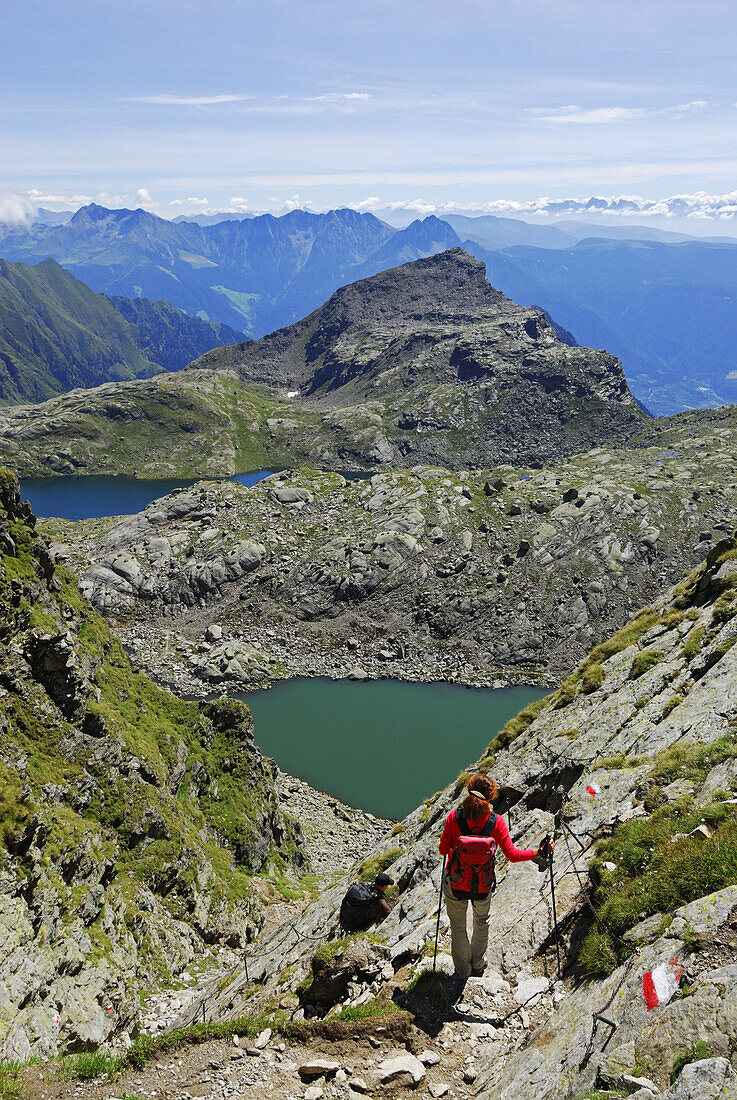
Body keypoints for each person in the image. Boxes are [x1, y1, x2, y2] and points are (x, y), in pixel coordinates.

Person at [439, 773, 553, 978]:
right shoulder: (496, 822)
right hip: (483, 884)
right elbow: (512, 855)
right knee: (481, 921)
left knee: (458, 927)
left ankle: (463, 971)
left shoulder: (454, 817)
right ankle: (477, 965)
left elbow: (442, 850)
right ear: (491, 797)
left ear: (468, 790)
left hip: (455, 882)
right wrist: (538, 853)